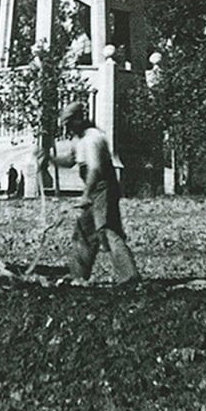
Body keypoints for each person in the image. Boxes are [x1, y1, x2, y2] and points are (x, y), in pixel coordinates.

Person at [40, 101, 139, 286]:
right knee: (84, 232)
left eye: (70, 124)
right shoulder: (79, 139)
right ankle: (78, 275)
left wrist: (86, 195)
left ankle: (129, 276)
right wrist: (49, 159)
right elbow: (70, 161)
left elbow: (95, 170)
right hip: (95, 190)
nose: (68, 129)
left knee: (107, 231)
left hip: (103, 189)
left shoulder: (94, 138)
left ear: (79, 119)